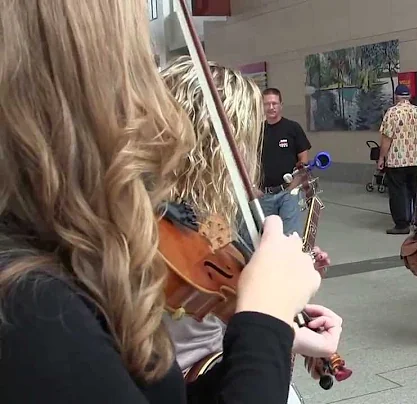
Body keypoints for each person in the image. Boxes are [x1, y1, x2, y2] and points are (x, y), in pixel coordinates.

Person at [0, 1, 323, 403]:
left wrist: (275, 301)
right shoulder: (35, 307)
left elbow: (220, 260)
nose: (152, 107)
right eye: (138, 66)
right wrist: (266, 322)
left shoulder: (197, 213)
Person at [159, 56, 342, 400]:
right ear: (212, 143)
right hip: (204, 382)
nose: (248, 155)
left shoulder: (205, 214)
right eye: (244, 139)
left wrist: (282, 280)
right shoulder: (151, 224)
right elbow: (237, 307)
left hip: (224, 360)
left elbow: (234, 289)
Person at [259, 87, 311, 236]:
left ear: (281, 105)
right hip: (264, 195)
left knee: (291, 236)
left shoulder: (292, 128)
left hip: (288, 192)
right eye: (267, 104)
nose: (271, 107)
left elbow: (303, 157)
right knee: (266, 238)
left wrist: (296, 183)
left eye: (274, 103)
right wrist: (253, 187)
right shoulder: (257, 131)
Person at [377, 84, 417, 234]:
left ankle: (401, 225)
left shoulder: (392, 113)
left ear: (396, 96)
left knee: (398, 193)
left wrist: (381, 158)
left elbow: (386, 139)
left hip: (396, 161)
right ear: (409, 96)